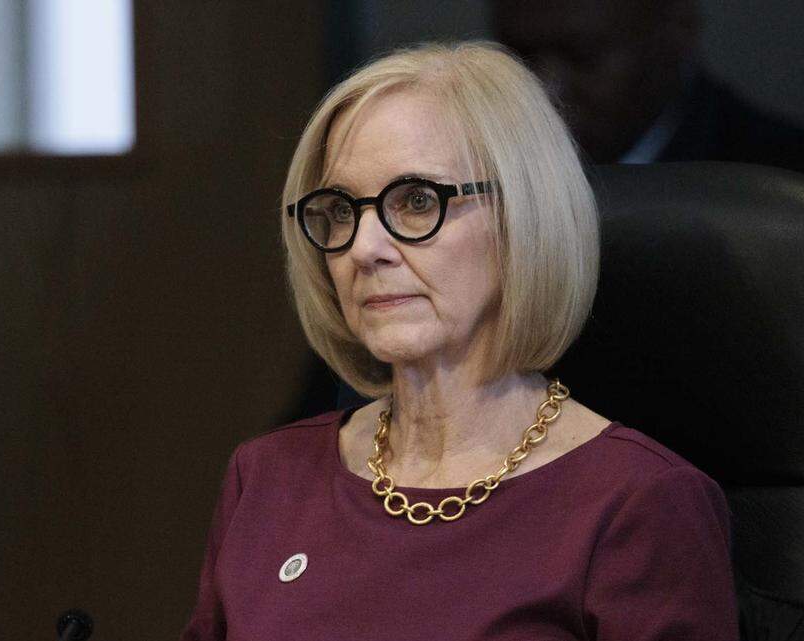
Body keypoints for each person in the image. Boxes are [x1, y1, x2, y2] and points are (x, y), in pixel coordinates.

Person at [181, 41, 737, 640]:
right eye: (340, 211)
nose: (364, 248)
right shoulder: (266, 477)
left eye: (418, 201)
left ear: (522, 217)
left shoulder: (641, 504)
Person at [490, 0, 804, 209]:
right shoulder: (477, 183)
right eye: (516, 55)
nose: (542, 88)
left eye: (583, 56)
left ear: (675, 30)